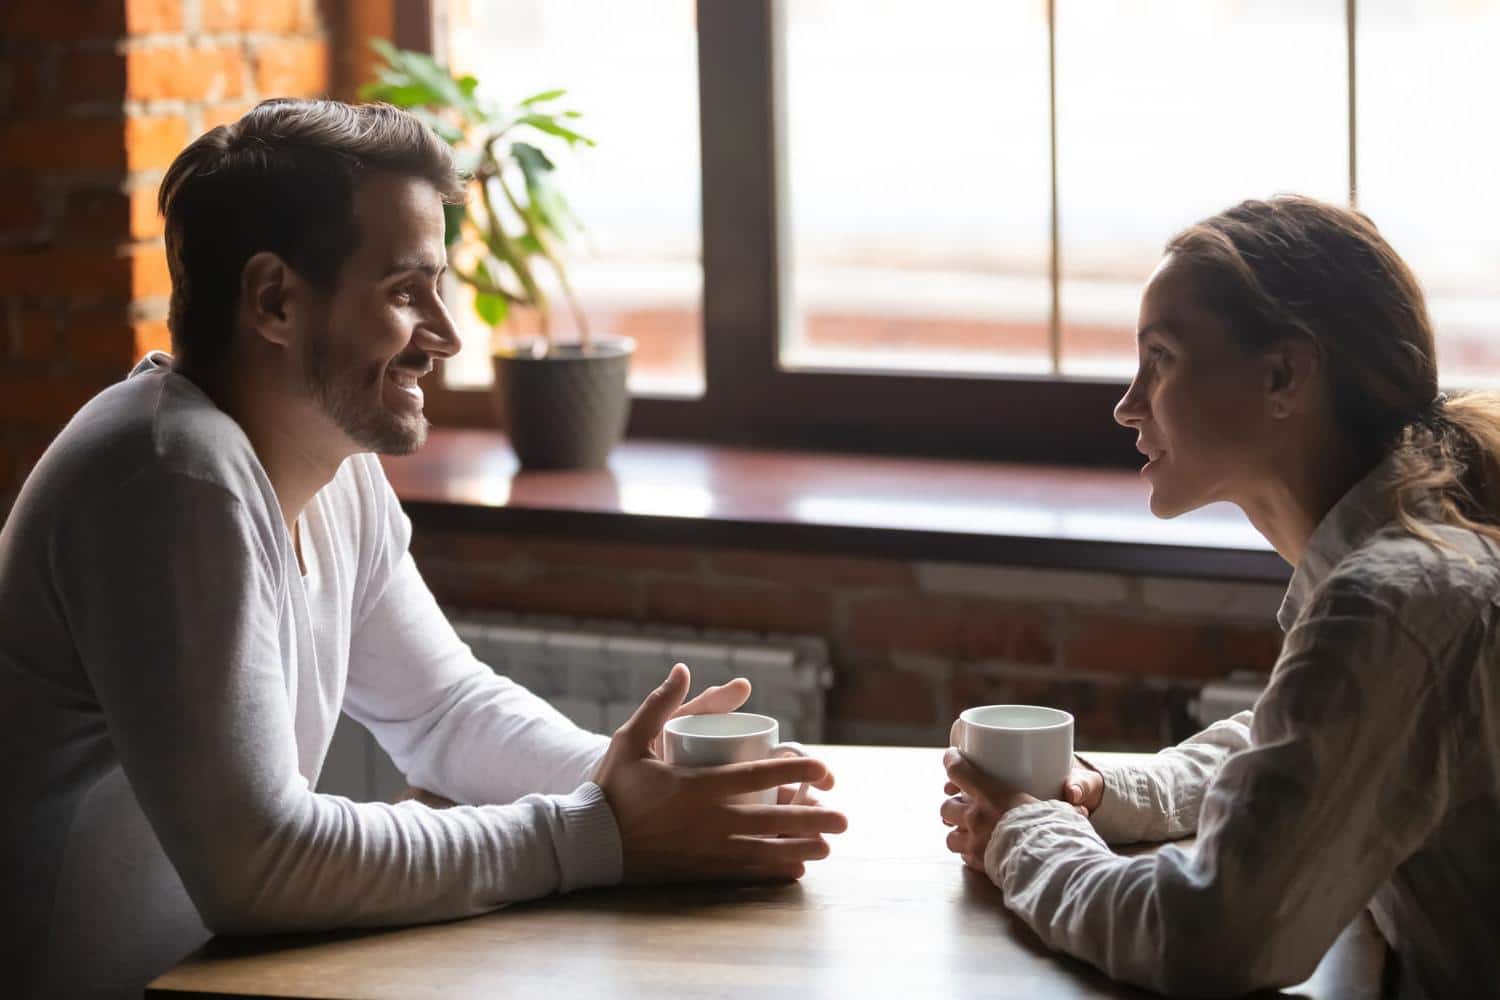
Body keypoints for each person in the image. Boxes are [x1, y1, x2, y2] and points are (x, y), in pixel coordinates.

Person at [0, 98, 846, 1000]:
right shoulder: (173, 476)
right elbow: (259, 863)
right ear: (275, 300)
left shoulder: (331, 465)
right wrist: (603, 832)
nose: (446, 334)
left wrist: (648, 787)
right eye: (406, 293)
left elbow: (444, 711)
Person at [938, 195, 1500, 997]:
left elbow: (1208, 936)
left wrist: (1028, 836)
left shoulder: (1390, 604)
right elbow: (1318, 743)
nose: (1128, 404)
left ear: (1283, 375)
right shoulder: (1408, 565)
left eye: (1161, 357)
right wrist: (1110, 794)